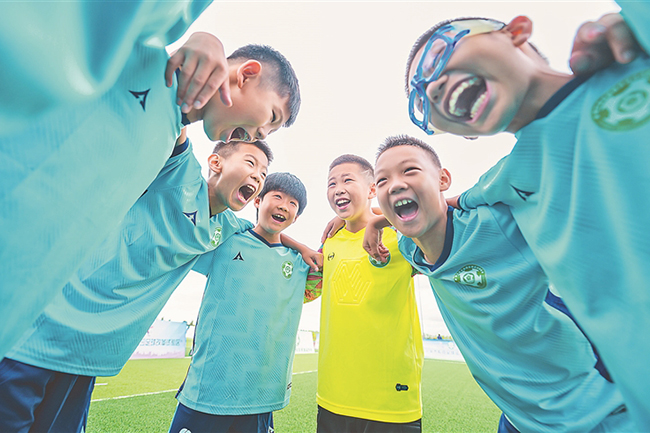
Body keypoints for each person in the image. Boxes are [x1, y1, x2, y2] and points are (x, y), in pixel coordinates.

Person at [404, 7, 650, 427]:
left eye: (438, 56)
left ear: (516, 31)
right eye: (422, 99)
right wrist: (375, 219)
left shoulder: (632, 61)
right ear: (464, 132)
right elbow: (451, 205)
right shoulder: (506, 180)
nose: (435, 86)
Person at [0, 26, 298, 363]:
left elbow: (262, 231)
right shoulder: (175, 156)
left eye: (264, 172)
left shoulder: (224, 221)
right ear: (246, 75)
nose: (263, 134)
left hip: (95, 352)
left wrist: (304, 248)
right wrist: (206, 39)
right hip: (38, 321)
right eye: (272, 117)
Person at [365, 135, 635, 432]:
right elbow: (404, 218)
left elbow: (551, 153)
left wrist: (471, 195)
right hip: (519, 420)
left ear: (443, 180)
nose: (395, 185)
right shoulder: (410, 248)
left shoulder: (494, 221)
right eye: (382, 180)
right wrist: (374, 222)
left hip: (593, 412)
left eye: (410, 170)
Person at [169, 172, 321, 433]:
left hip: (261, 393)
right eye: (277, 197)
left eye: (293, 203)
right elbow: (204, 214)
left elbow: (340, 247)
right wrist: (299, 244)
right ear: (257, 200)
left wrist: (304, 247)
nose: (284, 206)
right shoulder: (227, 239)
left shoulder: (301, 264)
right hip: (209, 386)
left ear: (296, 217)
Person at [317, 154, 423, 433]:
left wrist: (378, 220)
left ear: (372, 189)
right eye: (331, 183)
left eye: (347, 180)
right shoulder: (329, 242)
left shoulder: (402, 236)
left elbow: (433, 212)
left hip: (390, 398)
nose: (338, 188)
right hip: (333, 394)